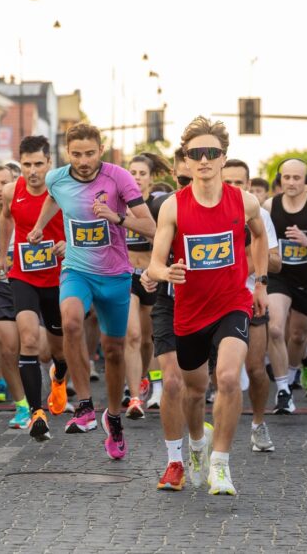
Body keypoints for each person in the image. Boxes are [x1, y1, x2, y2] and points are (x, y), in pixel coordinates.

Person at [147, 117, 269, 496]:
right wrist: (167, 272)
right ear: (185, 160)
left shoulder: (244, 201)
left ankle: (220, 465)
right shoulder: (173, 207)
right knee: (194, 391)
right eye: (195, 154)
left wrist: (260, 281)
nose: (203, 160)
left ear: (223, 158)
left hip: (232, 303)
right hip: (189, 310)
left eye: (210, 153)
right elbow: (153, 264)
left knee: (230, 378)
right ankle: (196, 446)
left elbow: (260, 236)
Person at [28, 124, 156, 460]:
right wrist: (41, 226)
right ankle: (84, 404)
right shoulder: (56, 178)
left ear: (101, 150)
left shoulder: (119, 178)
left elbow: (151, 226)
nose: (83, 161)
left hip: (115, 275)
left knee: (113, 351)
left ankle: (113, 417)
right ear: (67, 153)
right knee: (71, 321)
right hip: (77, 269)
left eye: (89, 153)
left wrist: (117, 217)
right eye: (76, 154)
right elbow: (54, 199)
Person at [0, 135, 69, 440]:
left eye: (38, 163)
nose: (32, 170)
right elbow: (4, 219)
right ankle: (37, 412)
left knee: (58, 349)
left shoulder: (63, 190)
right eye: (26, 164)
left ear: (49, 163)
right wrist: (2, 256)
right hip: (24, 273)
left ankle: (60, 374)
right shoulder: (13, 190)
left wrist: (70, 245)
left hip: (59, 276)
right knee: (27, 339)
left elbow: (84, 222)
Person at [139, 149, 193, 489]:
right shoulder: (164, 206)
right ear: (175, 170)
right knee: (173, 382)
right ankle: (175, 461)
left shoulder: (234, 205)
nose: (195, 165)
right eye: (187, 161)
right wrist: (153, 272)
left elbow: (252, 250)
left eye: (206, 155)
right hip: (171, 302)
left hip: (215, 306)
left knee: (205, 385)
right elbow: (155, 255)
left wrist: (258, 283)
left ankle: (202, 446)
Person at [221, 159, 282, 451]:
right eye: (228, 181)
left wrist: (252, 258)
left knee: (256, 368)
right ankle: (218, 431)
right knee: (218, 375)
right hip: (214, 299)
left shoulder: (260, 214)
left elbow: (277, 262)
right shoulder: (207, 209)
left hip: (249, 298)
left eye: (238, 182)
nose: (233, 187)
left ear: (248, 185)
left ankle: (258, 423)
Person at [264, 158, 307, 414]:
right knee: (276, 328)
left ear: (306, 180)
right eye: (286, 177)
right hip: (279, 276)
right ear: (280, 179)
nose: (291, 182)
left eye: (296, 178)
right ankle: (282, 388)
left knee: (298, 335)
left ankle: (290, 378)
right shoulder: (271, 206)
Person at [125, 153, 173, 416]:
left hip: (152, 277)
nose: (137, 178)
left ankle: (154, 384)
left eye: (142, 173)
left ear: (151, 178)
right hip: (126, 276)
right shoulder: (118, 204)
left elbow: (159, 238)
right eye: (132, 173)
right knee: (131, 335)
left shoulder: (159, 205)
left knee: (150, 338)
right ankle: (134, 396)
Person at [0, 165, 27, 428]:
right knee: (9, 348)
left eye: (4, 183)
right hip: (2, 288)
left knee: (41, 349)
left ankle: (54, 379)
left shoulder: (29, 212)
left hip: (33, 285)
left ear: (14, 184)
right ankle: (23, 405)